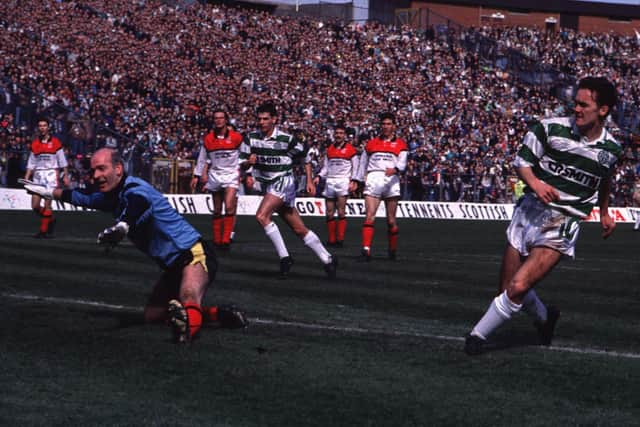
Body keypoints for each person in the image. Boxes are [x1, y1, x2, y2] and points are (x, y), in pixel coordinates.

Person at [464, 77, 622, 355]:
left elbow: (604, 179)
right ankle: (546, 317)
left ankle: (476, 337)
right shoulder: (549, 129)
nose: (577, 109)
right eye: (575, 103)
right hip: (528, 212)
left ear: (603, 110)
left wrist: (605, 212)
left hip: (563, 221)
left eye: (584, 104)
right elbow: (522, 163)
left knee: (518, 286)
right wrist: (536, 184)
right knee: (506, 289)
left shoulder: (611, 151)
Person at [23, 148, 247, 343]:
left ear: (118, 169)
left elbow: (137, 205)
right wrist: (46, 191)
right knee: (153, 316)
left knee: (188, 295)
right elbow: (78, 196)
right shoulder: (108, 197)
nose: (97, 175)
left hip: (193, 253)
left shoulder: (135, 188)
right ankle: (219, 314)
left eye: (102, 169)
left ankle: (186, 336)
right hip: (172, 265)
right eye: (94, 171)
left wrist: (122, 226)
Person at [239, 102, 337, 279]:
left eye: (266, 119)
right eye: (259, 119)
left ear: (274, 120)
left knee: (261, 216)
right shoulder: (250, 139)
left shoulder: (286, 139)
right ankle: (327, 259)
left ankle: (285, 258)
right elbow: (243, 163)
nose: (261, 122)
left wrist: (309, 180)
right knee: (299, 229)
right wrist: (248, 164)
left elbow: (305, 156)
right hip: (269, 185)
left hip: (284, 181)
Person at [354, 112, 408, 261]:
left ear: (394, 126)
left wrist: (396, 170)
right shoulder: (371, 144)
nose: (385, 126)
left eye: (388, 124)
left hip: (392, 180)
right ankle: (366, 250)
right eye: (383, 124)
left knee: (391, 220)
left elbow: (403, 163)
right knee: (369, 216)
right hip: (374, 178)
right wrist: (357, 180)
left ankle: (392, 249)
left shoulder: (401, 144)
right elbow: (362, 164)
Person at [191, 108, 243, 250]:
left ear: (226, 120)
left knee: (230, 206)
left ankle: (226, 240)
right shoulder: (208, 139)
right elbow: (202, 159)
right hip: (215, 175)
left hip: (231, 174)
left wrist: (248, 173)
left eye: (221, 118)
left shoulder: (237, 137)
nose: (218, 120)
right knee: (217, 209)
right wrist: (197, 175)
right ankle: (217, 240)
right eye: (216, 118)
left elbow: (244, 154)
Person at [307, 123, 359, 247]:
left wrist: (354, 181)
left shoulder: (351, 150)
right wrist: (319, 176)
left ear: (345, 135)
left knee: (341, 212)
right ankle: (331, 239)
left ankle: (340, 239)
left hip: (343, 181)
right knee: (329, 212)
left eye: (341, 133)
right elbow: (326, 167)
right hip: (330, 181)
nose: (338, 135)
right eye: (337, 133)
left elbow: (356, 168)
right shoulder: (329, 149)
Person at [23, 118, 69, 238]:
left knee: (48, 204)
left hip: (51, 175)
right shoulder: (35, 144)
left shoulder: (56, 142)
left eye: (44, 125)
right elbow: (31, 163)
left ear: (48, 127)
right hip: (38, 176)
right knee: (35, 206)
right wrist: (27, 177)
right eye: (40, 125)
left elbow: (62, 160)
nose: (42, 128)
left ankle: (43, 231)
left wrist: (66, 176)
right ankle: (51, 219)